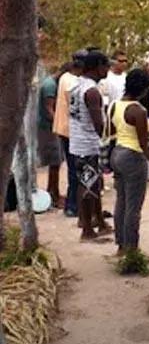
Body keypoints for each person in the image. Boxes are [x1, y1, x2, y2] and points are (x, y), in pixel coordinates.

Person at [109, 69, 149, 255]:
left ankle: (121, 245)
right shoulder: (138, 111)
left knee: (121, 201)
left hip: (118, 152)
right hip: (133, 156)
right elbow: (144, 144)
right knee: (133, 207)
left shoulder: (115, 105)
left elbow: (114, 130)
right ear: (143, 89)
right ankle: (131, 249)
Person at [69, 50, 113, 241]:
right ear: (97, 67)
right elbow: (98, 123)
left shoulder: (78, 85)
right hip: (87, 145)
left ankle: (98, 223)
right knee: (88, 185)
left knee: (91, 184)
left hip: (78, 142)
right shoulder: (92, 91)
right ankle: (87, 229)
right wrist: (110, 137)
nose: (108, 69)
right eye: (106, 65)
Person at [53, 55, 84, 217]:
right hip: (71, 131)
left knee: (73, 169)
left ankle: (73, 204)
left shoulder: (65, 77)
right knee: (75, 170)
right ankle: (73, 206)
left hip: (65, 129)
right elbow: (76, 108)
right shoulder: (72, 82)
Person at [38, 63, 68, 208]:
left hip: (51, 127)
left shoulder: (52, 83)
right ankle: (54, 195)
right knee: (55, 161)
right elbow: (49, 109)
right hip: (47, 128)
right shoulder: (50, 85)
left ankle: (53, 191)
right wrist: (61, 122)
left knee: (56, 161)